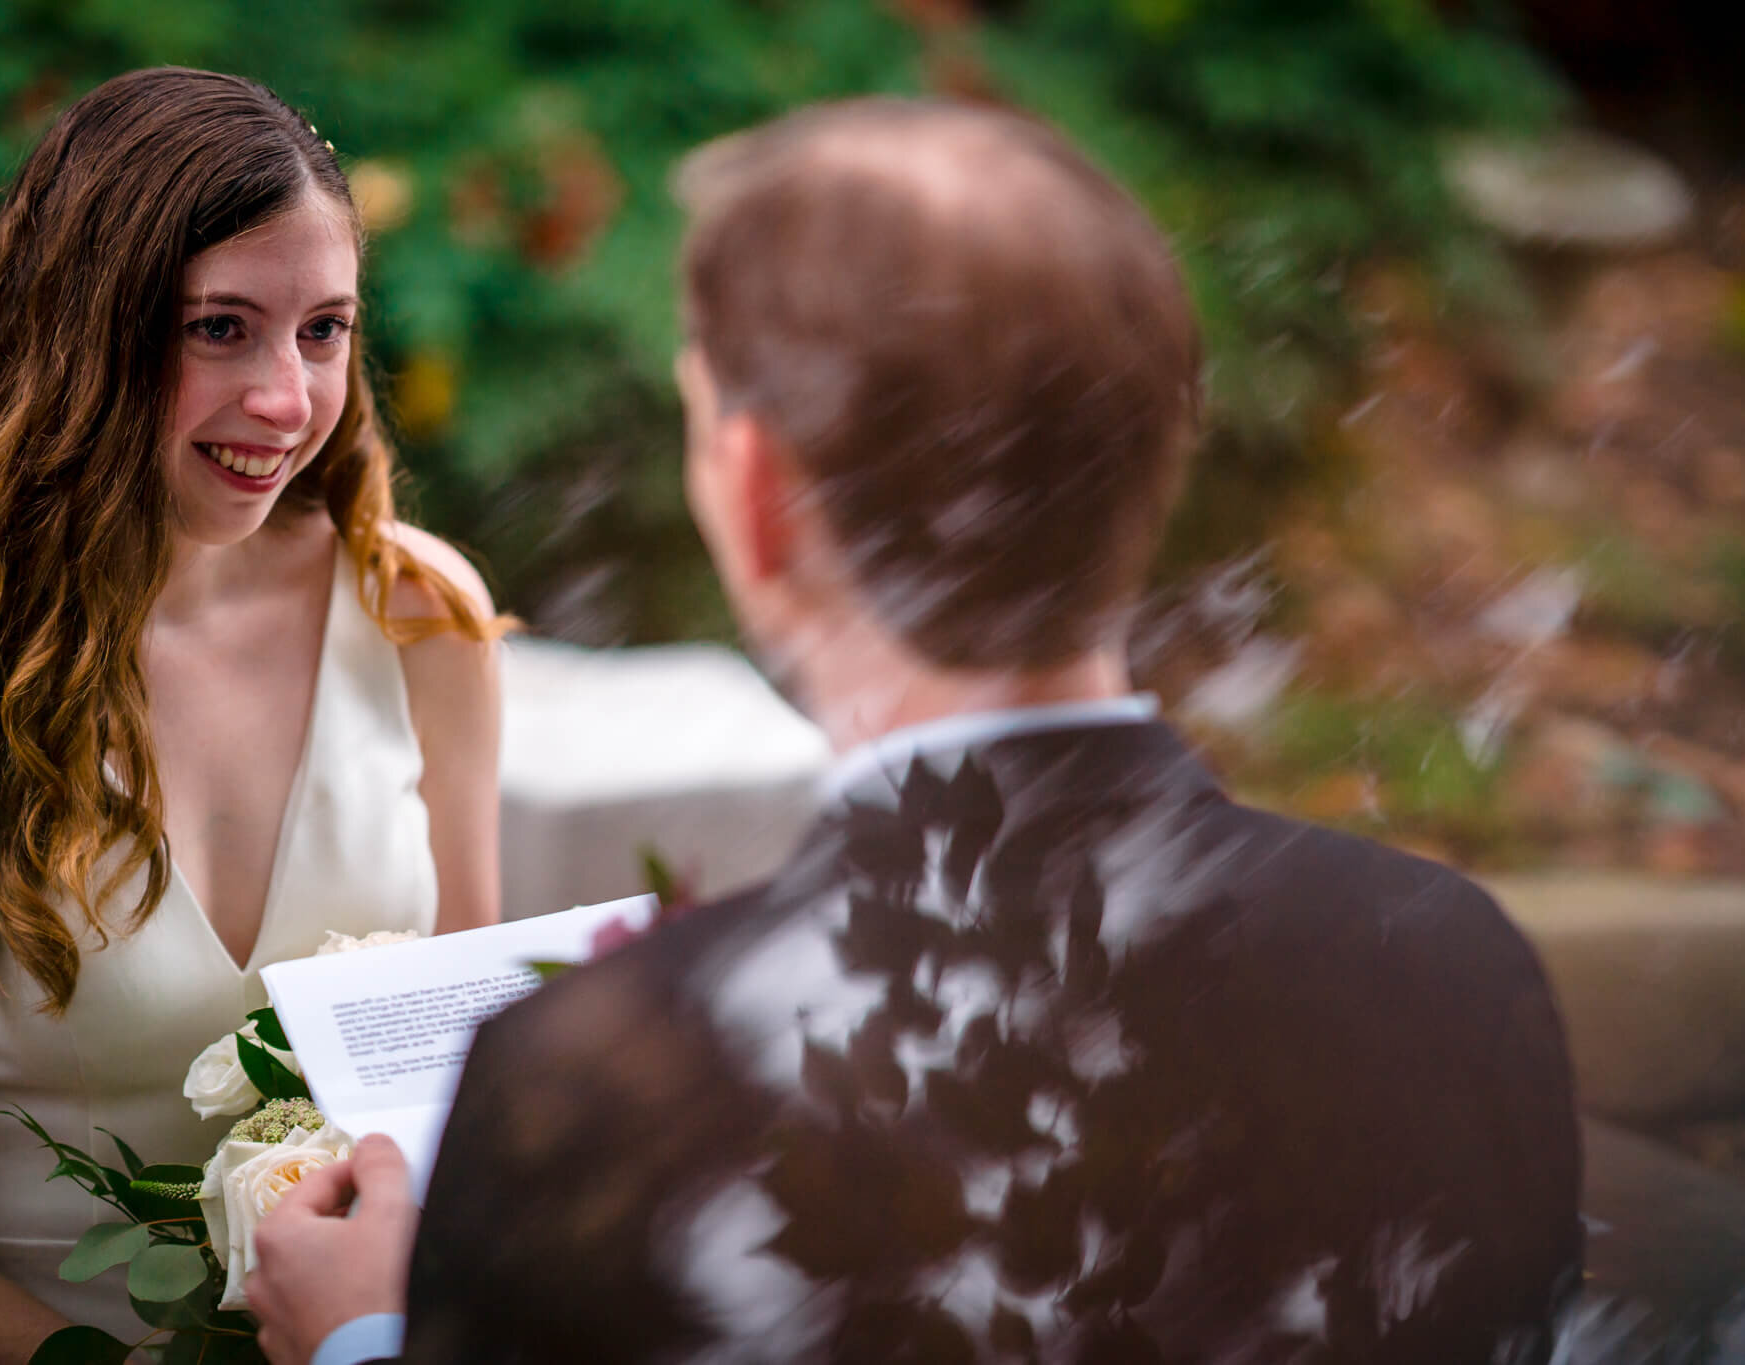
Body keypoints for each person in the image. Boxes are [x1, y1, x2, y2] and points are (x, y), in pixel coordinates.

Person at [248, 97, 1583, 1365]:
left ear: (758, 493)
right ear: (1151, 463)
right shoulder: (1452, 967)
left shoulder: (594, 1092)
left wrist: (372, 1340)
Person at [0, 68, 506, 1361]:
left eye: (323, 330)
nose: (286, 399)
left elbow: (462, 1096)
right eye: (221, 327)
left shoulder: (422, 614)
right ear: (83, 328)